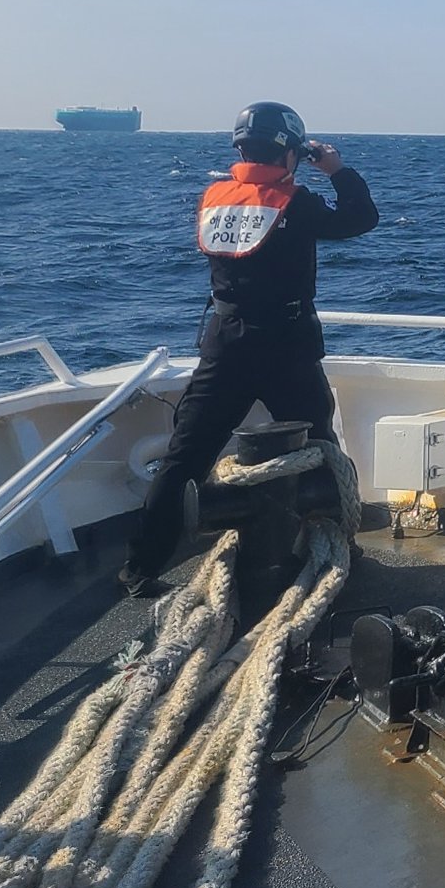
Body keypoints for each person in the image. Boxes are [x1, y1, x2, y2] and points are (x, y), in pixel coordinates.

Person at [118, 102, 379, 594]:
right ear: (291, 152)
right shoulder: (296, 202)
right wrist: (336, 169)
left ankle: (139, 569)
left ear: (240, 148)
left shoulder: (214, 197)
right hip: (287, 344)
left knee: (185, 457)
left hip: (226, 342)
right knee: (320, 449)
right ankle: (338, 545)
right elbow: (361, 218)